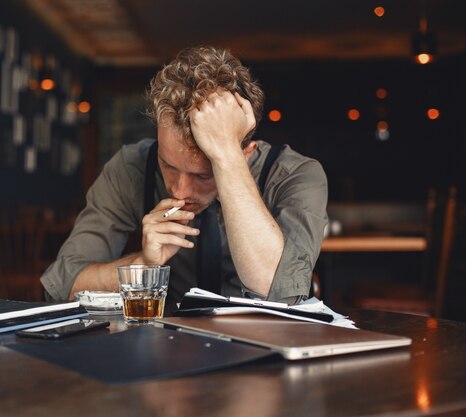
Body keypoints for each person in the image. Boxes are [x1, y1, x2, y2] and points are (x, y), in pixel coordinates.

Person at [41, 46, 328, 306]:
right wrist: (143, 265)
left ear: (247, 151)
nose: (178, 192)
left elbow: (279, 291)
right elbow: (62, 286)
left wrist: (226, 155)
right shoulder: (133, 166)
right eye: (168, 165)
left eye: (203, 175)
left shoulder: (296, 175)